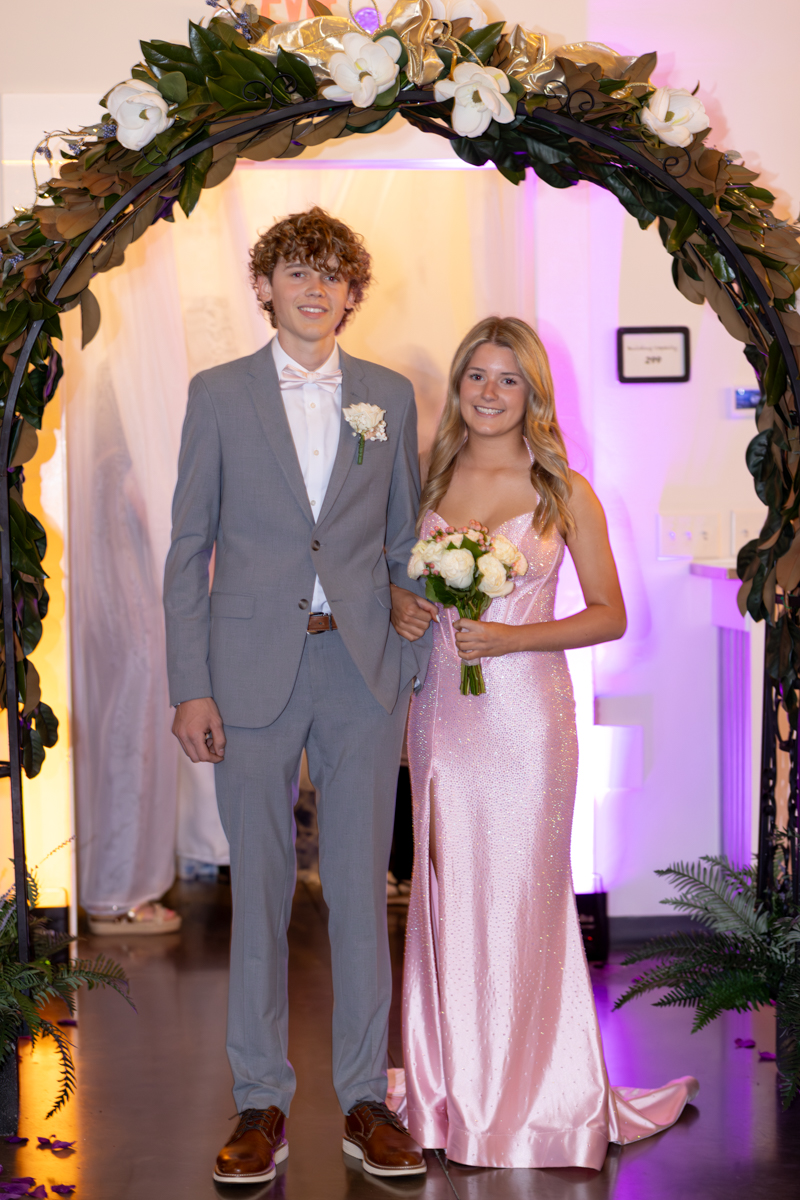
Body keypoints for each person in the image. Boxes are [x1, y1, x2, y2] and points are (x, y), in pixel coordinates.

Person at [391, 316, 699, 1170]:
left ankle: (532, 1098)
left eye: (508, 379)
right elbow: (392, 579)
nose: (489, 393)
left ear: (533, 393)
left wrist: (513, 638)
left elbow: (611, 613)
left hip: (527, 720)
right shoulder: (428, 475)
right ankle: (450, 1091)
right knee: (447, 892)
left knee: (522, 898)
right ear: (458, 386)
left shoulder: (563, 489)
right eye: (476, 376)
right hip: (443, 713)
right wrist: (402, 605)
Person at [163, 208, 432, 1184]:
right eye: (295, 271)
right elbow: (188, 551)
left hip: (361, 673)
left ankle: (367, 1101)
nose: (314, 288)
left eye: (330, 274)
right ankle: (259, 1103)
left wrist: (408, 635)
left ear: (352, 291)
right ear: (264, 287)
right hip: (246, 673)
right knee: (262, 894)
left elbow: (403, 538)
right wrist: (189, 687)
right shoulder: (217, 394)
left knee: (362, 894)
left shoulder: (389, 396)